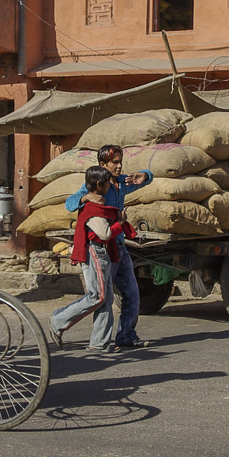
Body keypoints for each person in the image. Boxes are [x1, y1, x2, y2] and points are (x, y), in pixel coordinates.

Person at [64, 145, 153, 349]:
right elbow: (69, 204)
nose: (120, 166)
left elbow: (148, 177)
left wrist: (145, 176)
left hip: (120, 245)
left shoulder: (123, 183)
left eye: (121, 161)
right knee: (104, 297)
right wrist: (85, 197)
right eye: (115, 162)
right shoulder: (95, 185)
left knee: (132, 292)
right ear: (102, 165)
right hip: (103, 247)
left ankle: (126, 335)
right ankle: (97, 340)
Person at [50, 166, 132, 352]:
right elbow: (104, 234)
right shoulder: (92, 206)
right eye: (106, 184)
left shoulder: (98, 203)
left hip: (103, 253)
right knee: (98, 296)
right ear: (98, 185)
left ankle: (99, 342)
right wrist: (121, 223)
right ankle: (58, 320)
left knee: (106, 297)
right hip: (95, 252)